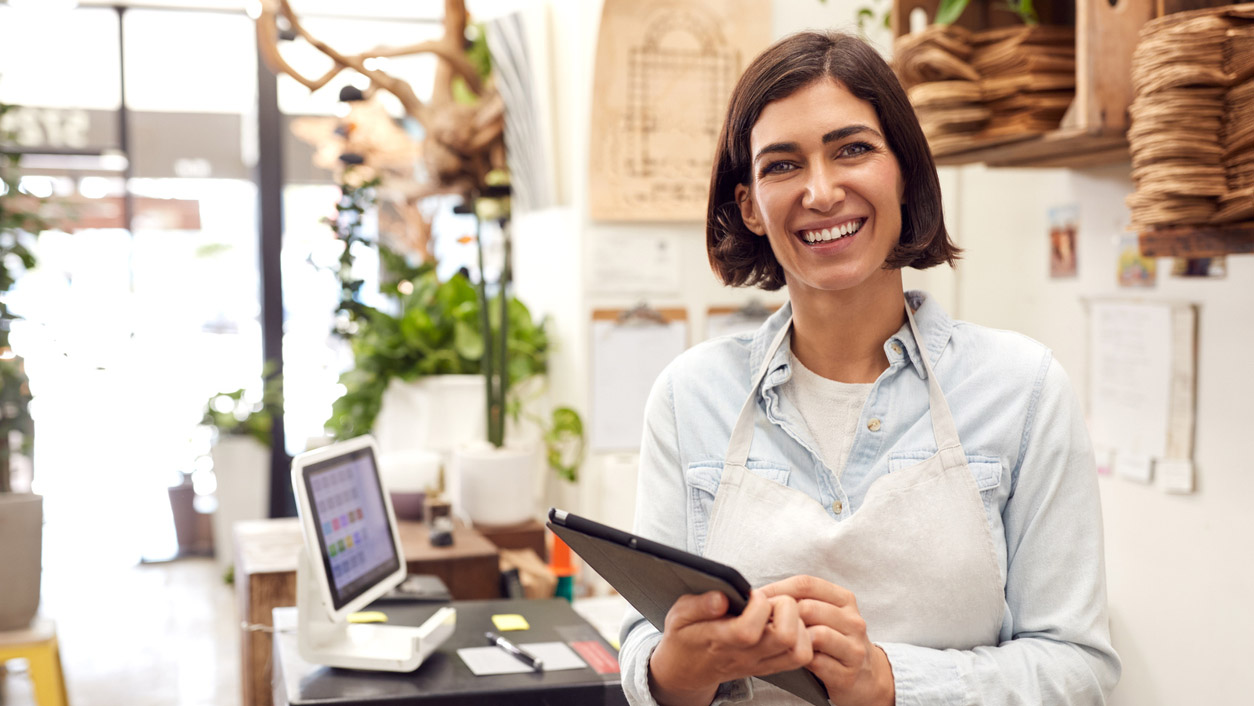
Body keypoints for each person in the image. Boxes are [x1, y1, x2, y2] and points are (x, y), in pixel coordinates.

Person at [619, 31, 1120, 706]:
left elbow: (1079, 669)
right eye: (782, 165)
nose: (822, 193)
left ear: (903, 172)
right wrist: (679, 668)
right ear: (749, 208)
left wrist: (887, 682)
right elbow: (642, 654)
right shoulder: (690, 396)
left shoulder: (1023, 390)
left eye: (852, 149)